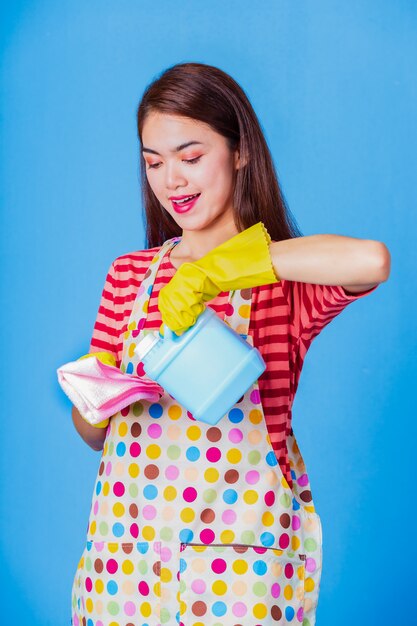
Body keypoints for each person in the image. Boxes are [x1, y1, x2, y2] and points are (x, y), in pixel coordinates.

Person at [70, 62, 390, 626]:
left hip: (237, 574)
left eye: (191, 157)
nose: (172, 180)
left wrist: (228, 269)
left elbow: (370, 261)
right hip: (127, 566)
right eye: (153, 162)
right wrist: (96, 399)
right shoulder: (127, 277)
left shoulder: (282, 282)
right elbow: (95, 437)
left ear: (239, 151)